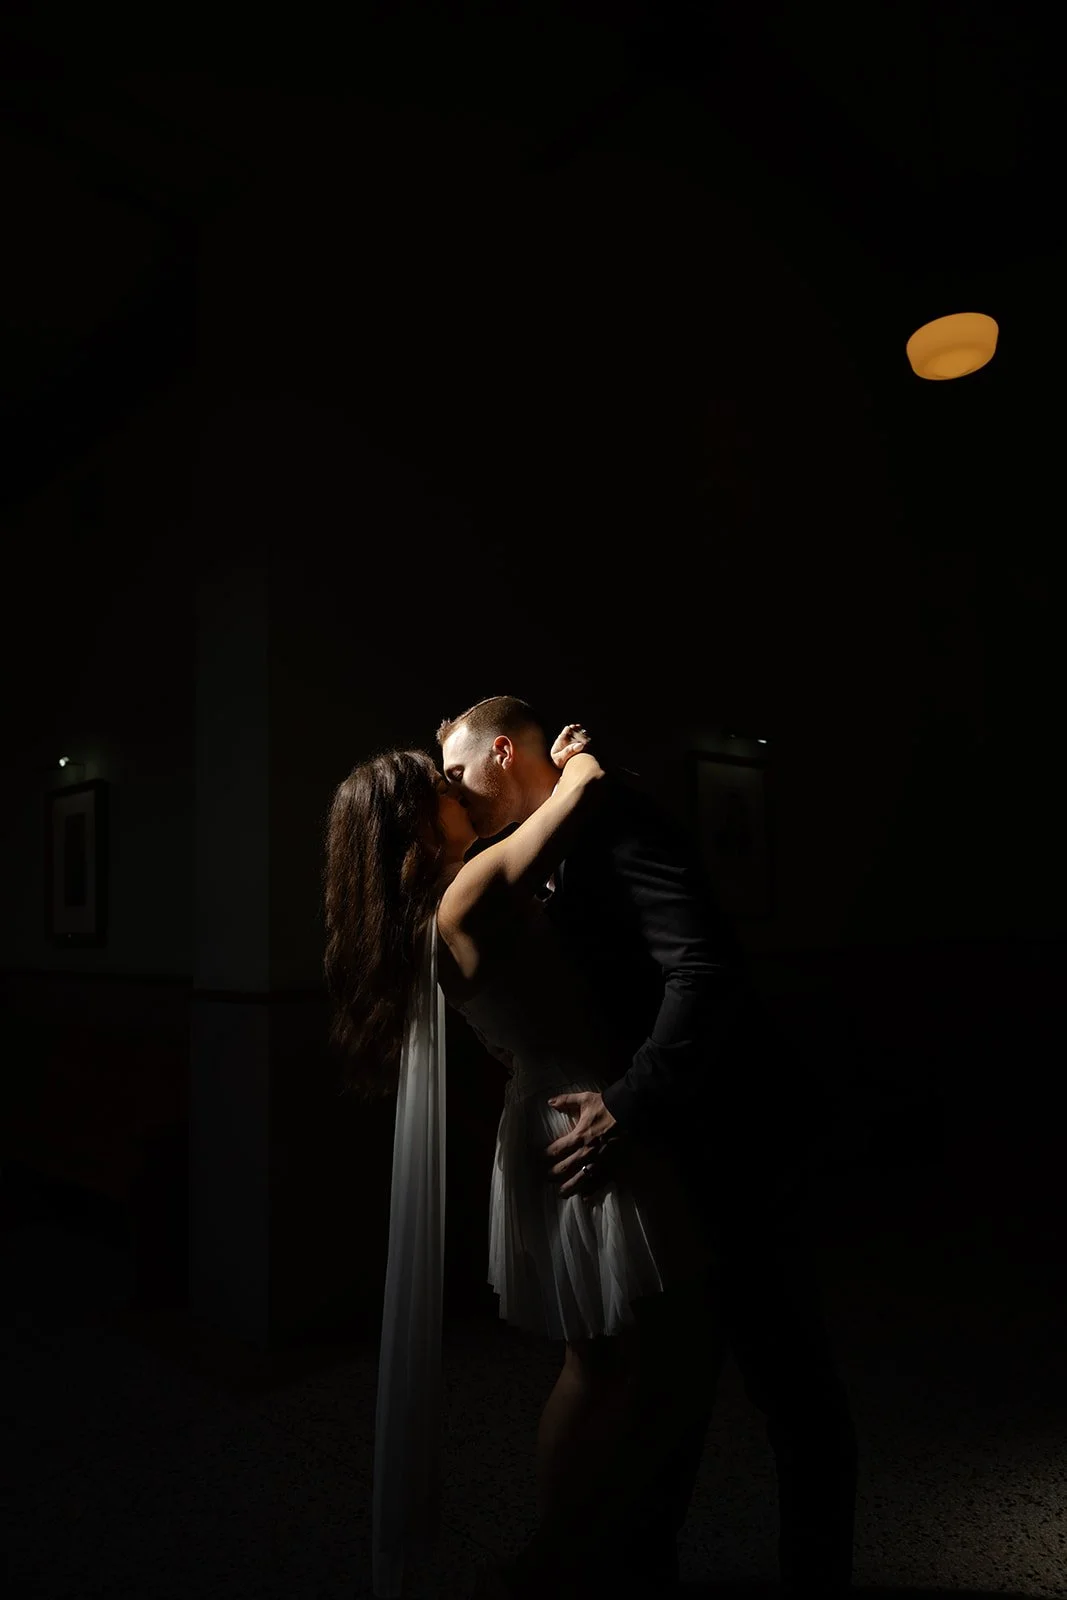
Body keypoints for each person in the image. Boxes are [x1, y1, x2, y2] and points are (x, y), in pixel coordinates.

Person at [436, 696, 859, 1600]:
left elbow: (703, 969)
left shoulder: (616, 817)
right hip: (649, 1159)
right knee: (663, 1394)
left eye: (458, 771)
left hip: (730, 1135)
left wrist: (628, 1104)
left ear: (502, 750)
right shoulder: (517, 855)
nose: (453, 792)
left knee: (791, 1388)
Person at [323, 722, 708, 1600]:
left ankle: (582, 1540)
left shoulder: (446, 900)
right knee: (606, 1361)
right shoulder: (470, 892)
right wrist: (567, 756)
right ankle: (565, 1547)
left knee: (608, 1357)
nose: (457, 795)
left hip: (542, 1103)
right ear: (418, 828)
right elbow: (575, 796)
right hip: (571, 1108)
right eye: (441, 792)